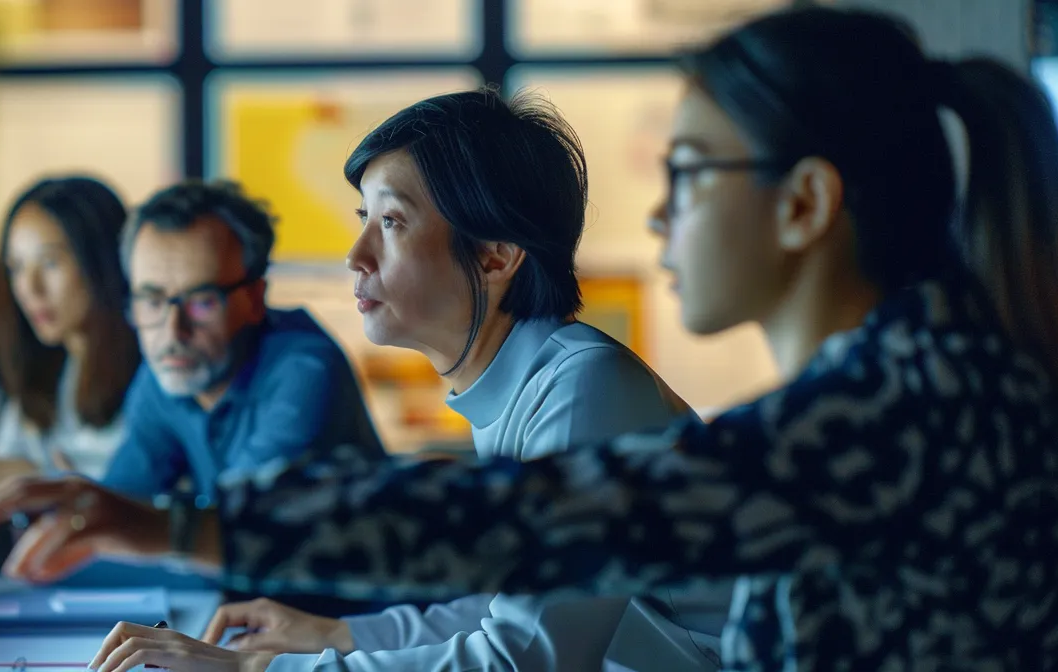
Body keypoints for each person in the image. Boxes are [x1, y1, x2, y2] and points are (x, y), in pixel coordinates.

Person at [0, 7, 1058, 670]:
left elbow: (526, 594)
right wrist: (330, 635)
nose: (656, 213)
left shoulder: (883, 415)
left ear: (805, 204)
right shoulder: (908, 381)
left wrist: (226, 605)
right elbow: (511, 561)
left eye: (694, 172)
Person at [196, 89, 707, 671]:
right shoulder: (525, 385)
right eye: (365, 219)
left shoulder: (586, 388)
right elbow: (504, 610)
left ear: (495, 255)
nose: (356, 256)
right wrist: (333, 633)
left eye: (391, 222)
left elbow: (521, 660)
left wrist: (256, 670)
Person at [98, 180, 385, 502]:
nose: (173, 331)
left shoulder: (304, 369)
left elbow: (235, 519)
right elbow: (117, 504)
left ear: (254, 299)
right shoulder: (169, 369)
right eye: (152, 301)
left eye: (202, 301)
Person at [0, 177, 141, 480]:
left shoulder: (153, 375)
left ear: (101, 261)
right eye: (17, 267)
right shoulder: (45, 368)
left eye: (50, 262)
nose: (30, 288)